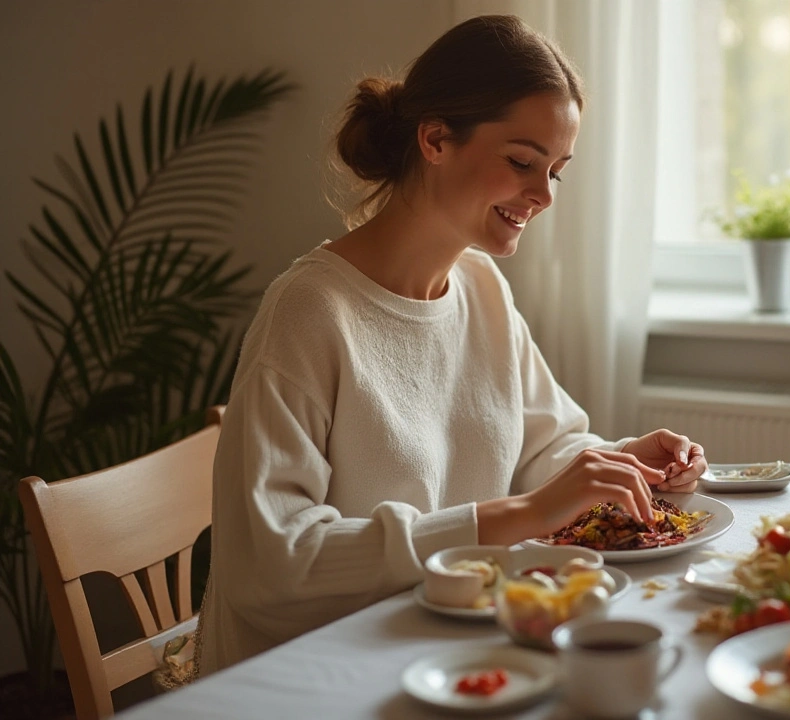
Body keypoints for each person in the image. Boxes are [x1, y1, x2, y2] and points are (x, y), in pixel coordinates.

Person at [196, 14, 707, 674]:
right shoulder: (310, 313)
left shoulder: (479, 286)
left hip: (444, 655)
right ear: (435, 138)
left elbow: (541, 448)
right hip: (315, 677)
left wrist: (616, 462)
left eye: (556, 170)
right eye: (523, 162)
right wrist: (517, 514)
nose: (543, 195)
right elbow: (275, 568)